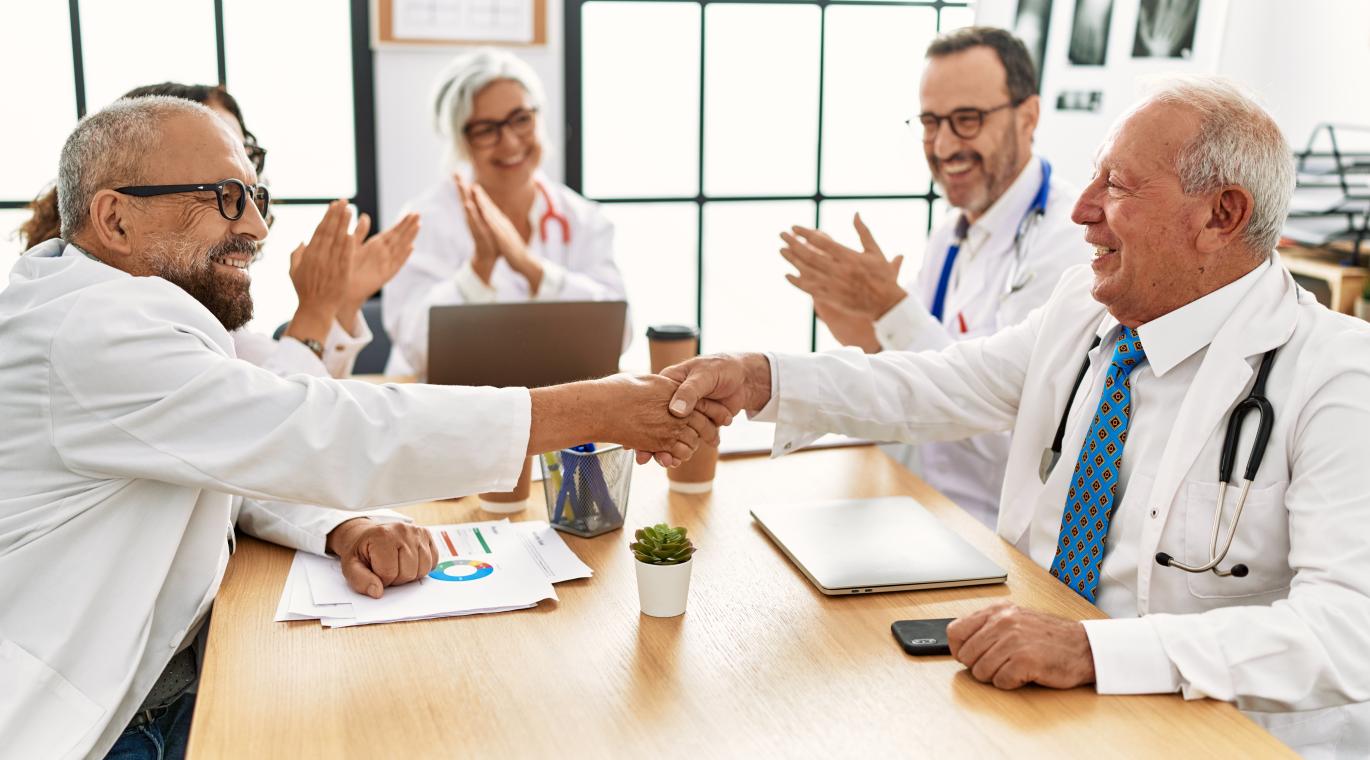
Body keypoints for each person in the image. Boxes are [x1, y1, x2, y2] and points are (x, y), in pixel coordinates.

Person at [0, 97, 726, 759]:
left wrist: (342, 528)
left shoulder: (113, 316)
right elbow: (317, 429)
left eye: (255, 198)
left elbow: (231, 451)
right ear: (116, 219)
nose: (253, 226)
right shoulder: (92, 331)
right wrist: (599, 408)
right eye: (224, 198)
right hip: (98, 725)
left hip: (166, 686)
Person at [663, 78, 1370, 756]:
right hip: (1036, 692)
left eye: (1117, 185)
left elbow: (1347, 633)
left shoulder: (1338, 376)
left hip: (1217, 732)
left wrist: (1096, 651)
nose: (1081, 210)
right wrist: (763, 378)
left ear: (1222, 215)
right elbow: (942, 384)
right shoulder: (1085, 308)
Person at [778, 27, 1087, 528]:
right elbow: (919, 378)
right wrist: (866, 334)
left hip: (995, 534)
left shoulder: (1071, 244)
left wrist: (889, 308)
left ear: (1028, 116)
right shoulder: (950, 235)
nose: (942, 146)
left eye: (966, 120)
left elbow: (1008, 431)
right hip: (915, 503)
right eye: (929, 122)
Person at [18, 82, 420, 380]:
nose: (256, 226)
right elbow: (279, 432)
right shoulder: (109, 331)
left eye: (245, 155)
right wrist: (316, 312)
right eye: (218, 180)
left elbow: (302, 409)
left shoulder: (197, 295)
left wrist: (341, 301)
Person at [383, 48, 628, 377]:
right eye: (486, 129)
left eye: (521, 119)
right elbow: (417, 351)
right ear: (461, 140)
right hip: (450, 408)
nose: (510, 142)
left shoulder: (582, 218)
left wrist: (531, 267)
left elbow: (619, 335)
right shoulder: (423, 221)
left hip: (557, 404)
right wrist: (478, 269)